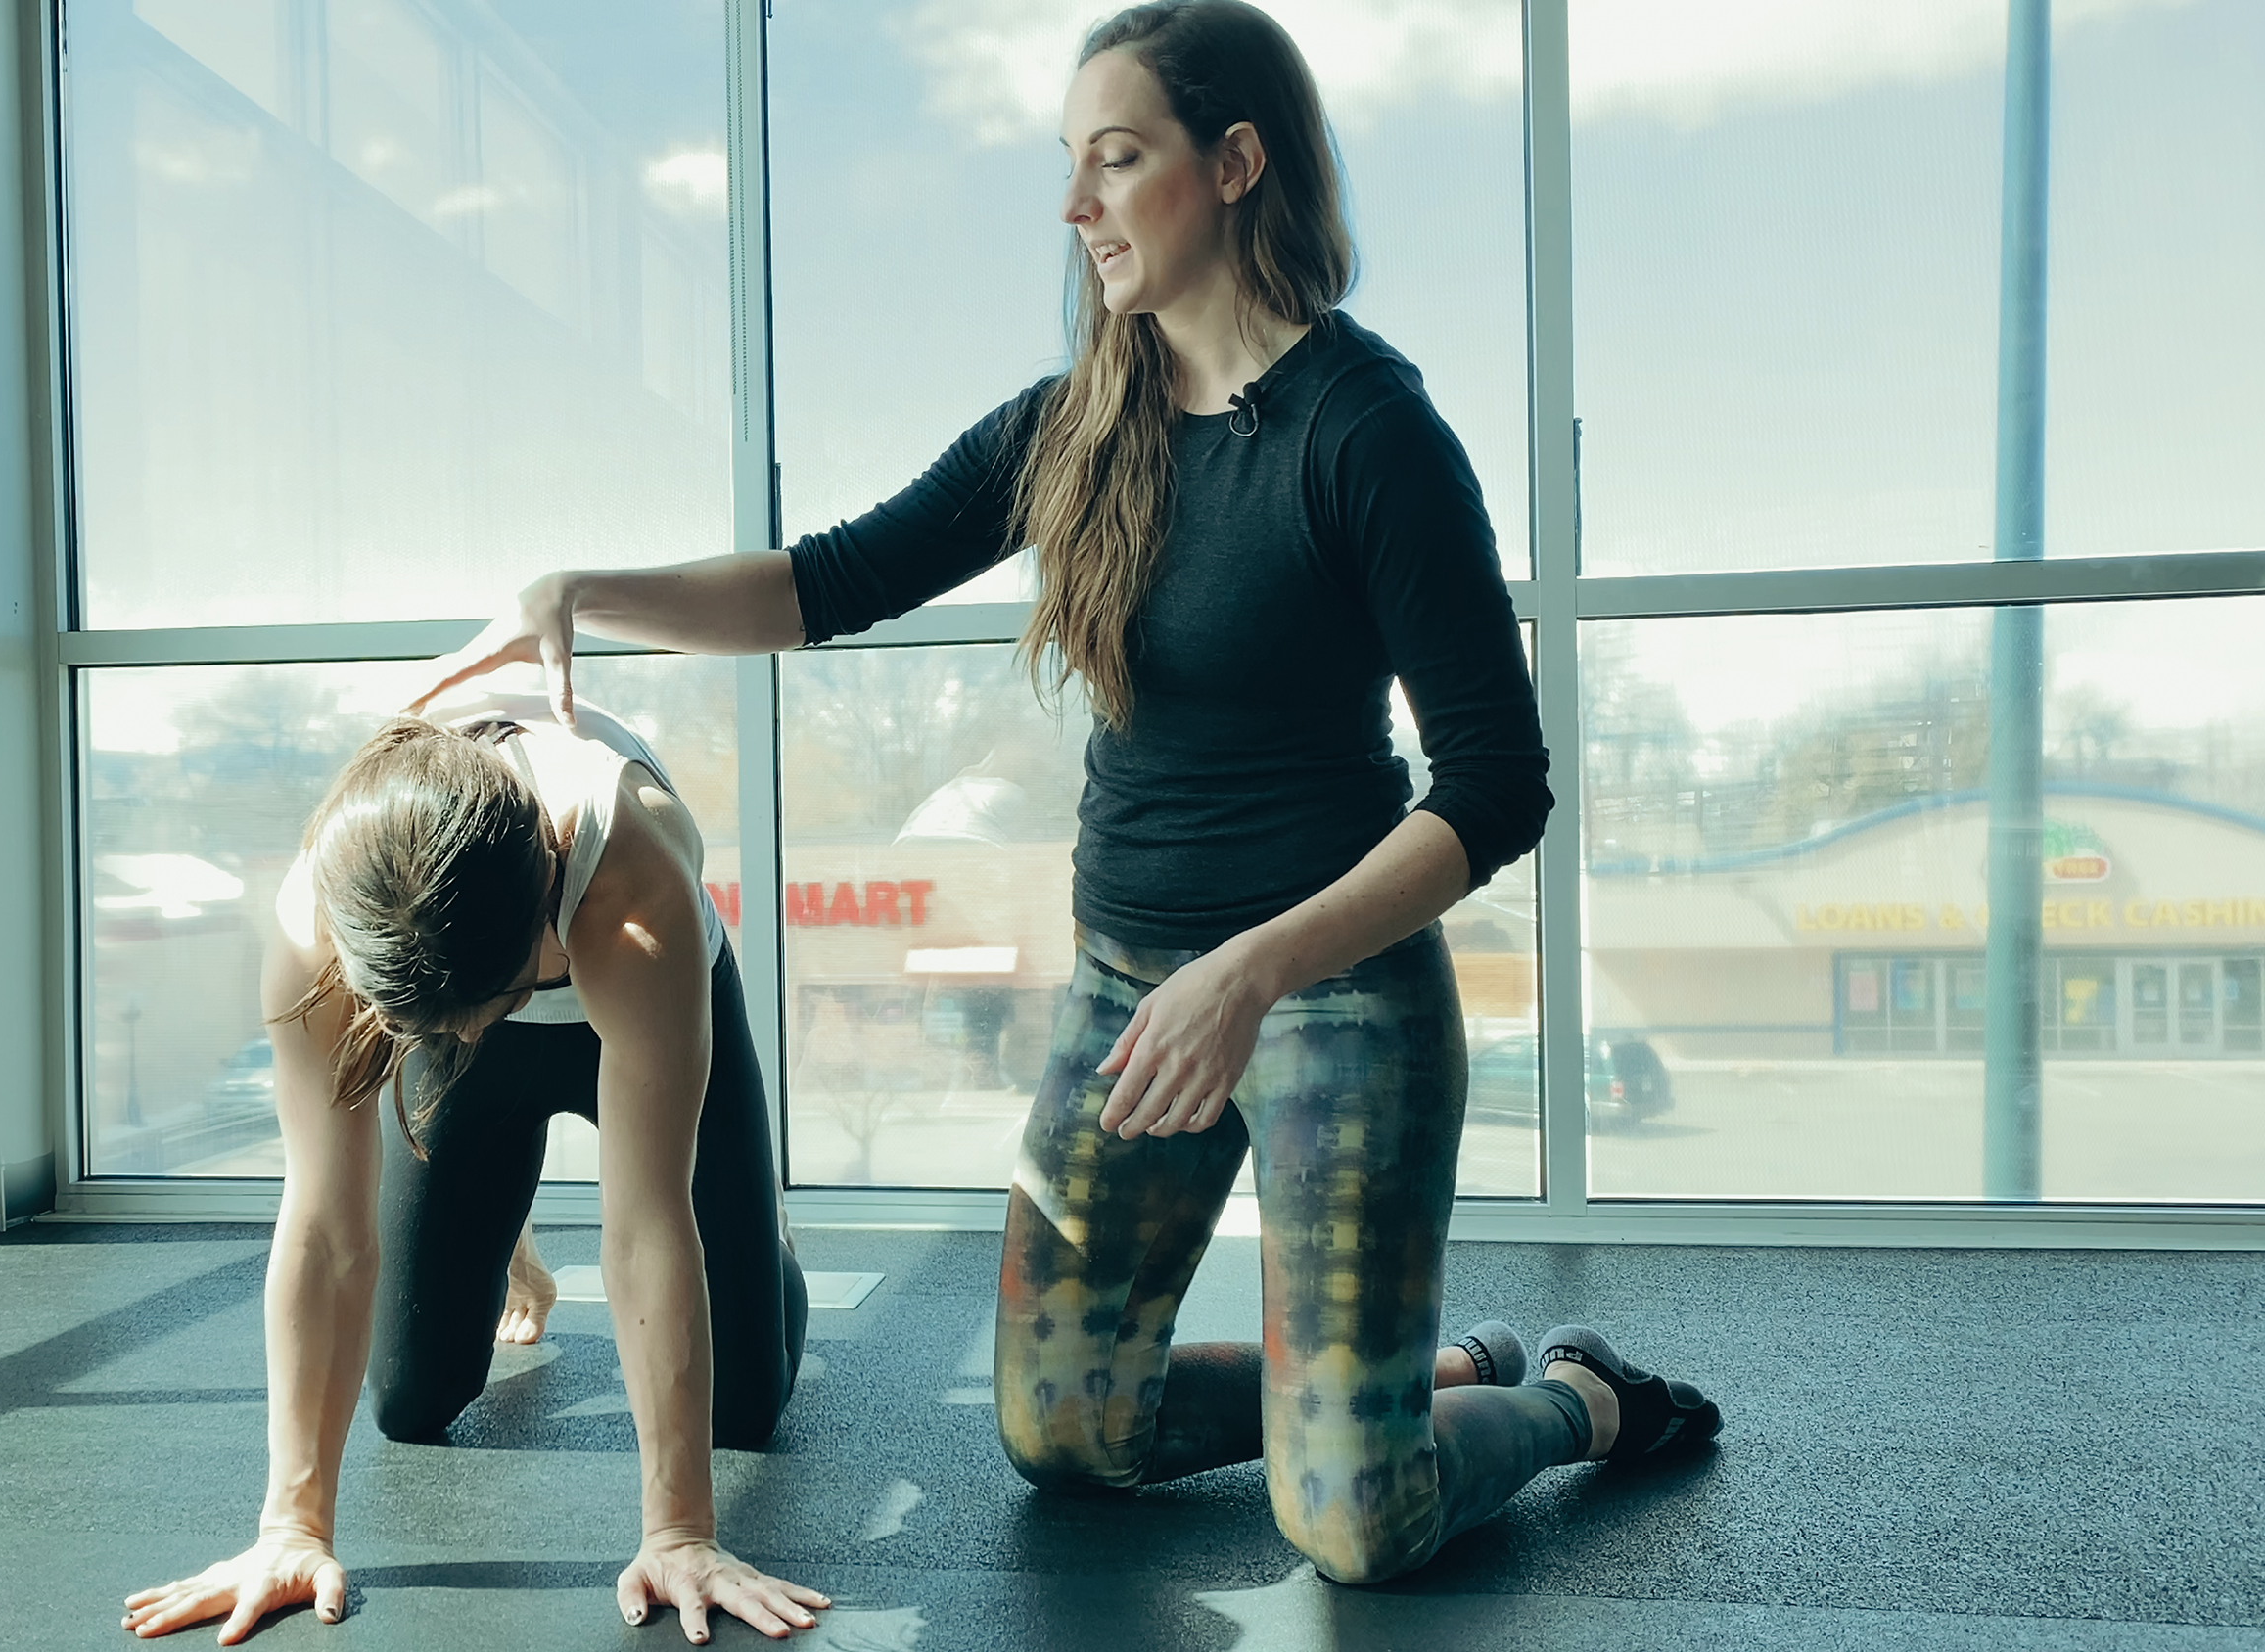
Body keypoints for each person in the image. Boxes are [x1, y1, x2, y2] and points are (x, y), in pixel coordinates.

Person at [420, 0, 1718, 1587]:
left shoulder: (1368, 432)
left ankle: (1577, 1398)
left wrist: (1251, 973)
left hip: (1335, 1000)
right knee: (1067, 1430)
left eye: (1116, 158)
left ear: (1234, 165)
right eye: (1070, 161)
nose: (1074, 204)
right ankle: (1410, 1386)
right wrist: (581, 590)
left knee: (1355, 1526)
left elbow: (1499, 786)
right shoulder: (1077, 425)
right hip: (1127, 990)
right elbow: (832, 580)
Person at [120, 689, 826, 1644]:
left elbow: (643, 1224)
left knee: (739, 1407)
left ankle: (760, 1243)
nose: (457, 1037)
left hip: (633, 988)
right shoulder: (318, 920)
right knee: (410, 1399)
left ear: (538, 930)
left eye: (475, 1014)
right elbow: (325, 1228)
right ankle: (505, 1217)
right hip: (458, 976)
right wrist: (290, 1528)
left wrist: (679, 1534)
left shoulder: (632, 877)